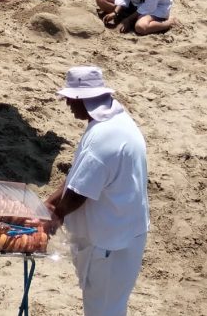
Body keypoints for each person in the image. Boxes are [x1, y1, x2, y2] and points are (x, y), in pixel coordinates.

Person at [45, 66, 149, 316]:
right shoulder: (115, 121)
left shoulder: (103, 140)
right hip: (123, 234)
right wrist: (48, 203)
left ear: (83, 99)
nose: (67, 103)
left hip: (110, 245)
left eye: (71, 98)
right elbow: (78, 176)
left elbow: (78, 193)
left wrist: (55, 214)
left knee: (104, 311)